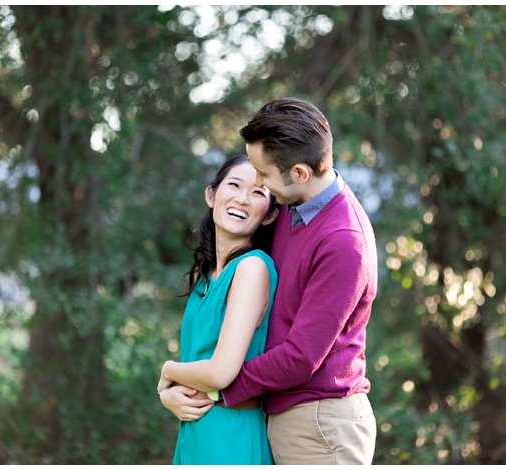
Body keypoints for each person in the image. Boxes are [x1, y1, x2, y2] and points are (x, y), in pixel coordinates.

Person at [164, 98, 379, 465]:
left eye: (263, 175)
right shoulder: (292, 209)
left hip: (322, 422)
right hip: (282, 416)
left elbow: (300, 357)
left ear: (299, 173)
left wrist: (214, 387)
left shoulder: (343, 240)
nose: (256, 183)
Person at [157, 154, 279, 465]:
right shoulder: (206, 275)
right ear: (211, 195)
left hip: (231, 434)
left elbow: (222, 371)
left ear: (268, 215)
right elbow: (199, 360)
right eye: (234, 185)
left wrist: (169, 372)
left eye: (257, 192)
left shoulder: (252, 268)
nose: (242, 198)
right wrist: (168, 395)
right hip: (195, 430)